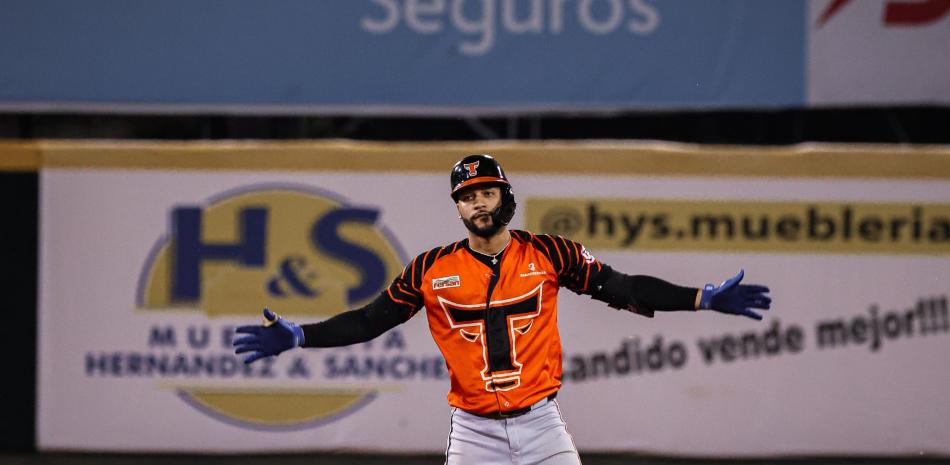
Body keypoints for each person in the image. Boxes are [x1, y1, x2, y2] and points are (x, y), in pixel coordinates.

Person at [233, 154, 771, 465]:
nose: (478, 204)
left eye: (487, 192)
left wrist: (699, 298)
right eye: (467, 197)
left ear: (506, 197)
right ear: (458, 208)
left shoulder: (548, 253)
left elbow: (621, 286)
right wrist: (301, 336)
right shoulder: (430, 269)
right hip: (473, 431)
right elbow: (372, 319)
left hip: (541, 423)